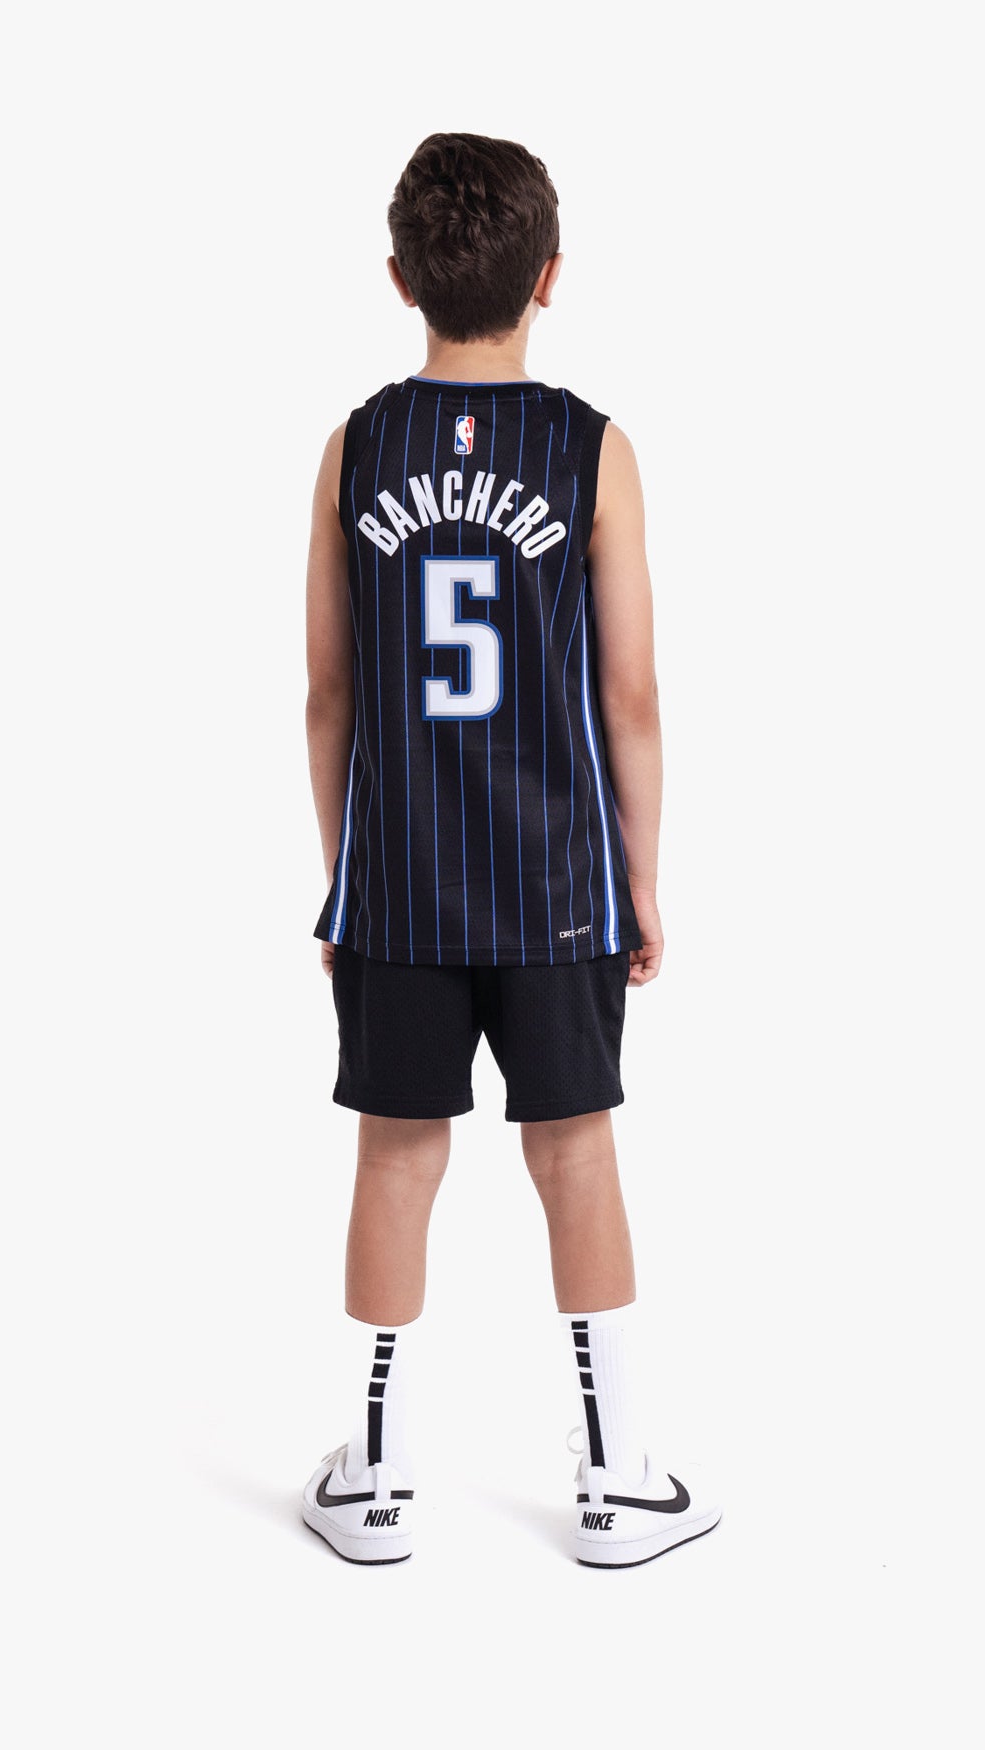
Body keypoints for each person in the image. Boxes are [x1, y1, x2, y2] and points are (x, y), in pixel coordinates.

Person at [300, 133, 719, 1568]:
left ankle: (373, 1485)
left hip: (402, 885)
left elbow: (329, 694)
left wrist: (345, 876)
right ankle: (618, 1481)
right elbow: (631, 696)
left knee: (395, 1158)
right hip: (555, 885)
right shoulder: (593, 449)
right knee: (576, 1154)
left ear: (400, 278)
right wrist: (641, 878)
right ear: (549, 276)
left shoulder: (356, 447)